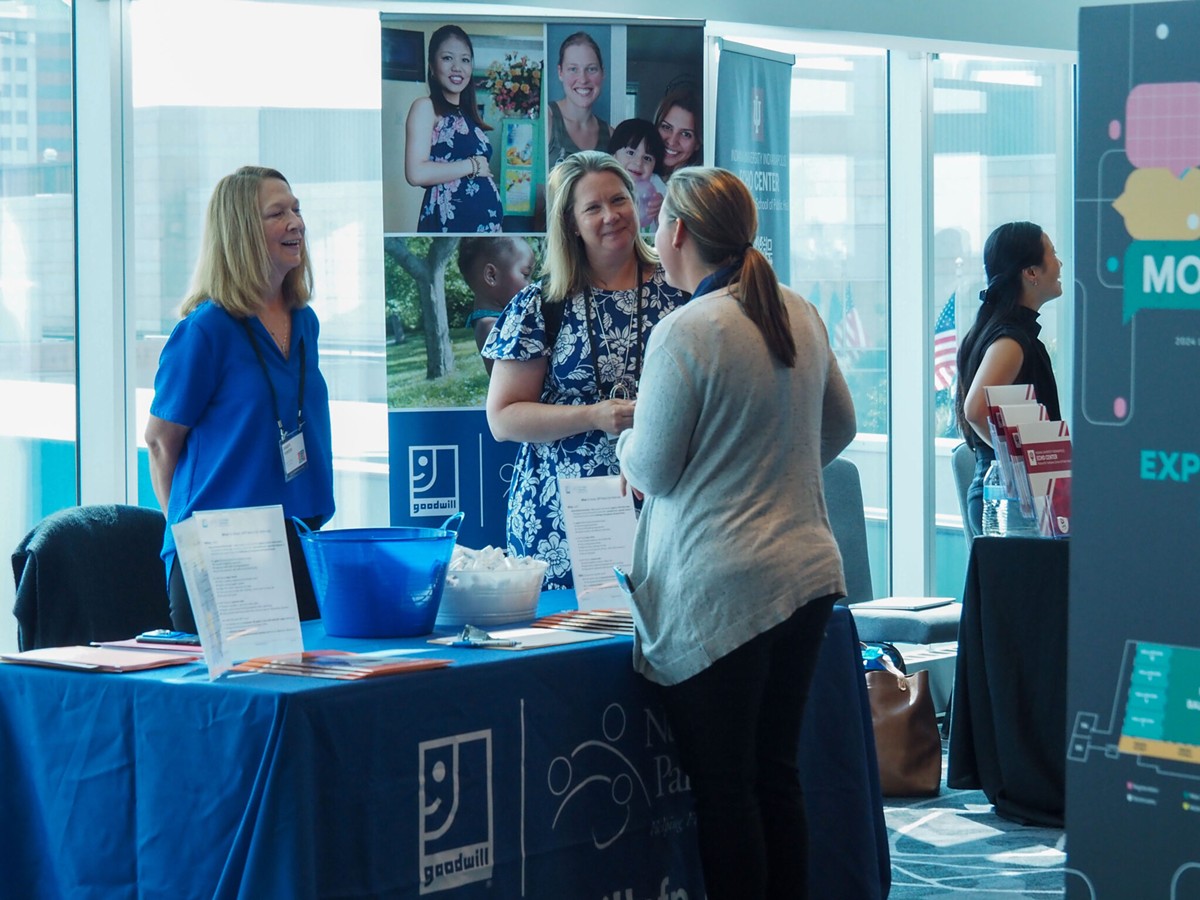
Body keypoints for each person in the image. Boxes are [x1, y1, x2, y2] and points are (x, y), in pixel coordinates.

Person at [614, 167, 856, 900]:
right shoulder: (798, 310)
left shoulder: (686, 330)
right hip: (808, 572)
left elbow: (652, 468)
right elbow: (839, 427)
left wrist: (624, 443)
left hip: (725, 587)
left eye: (657, 220)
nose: (652, 231)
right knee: (774, 775)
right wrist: (770, 467)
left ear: (678, 232)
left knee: (727, 792)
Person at [483, 150, 687, 589]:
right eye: (593, 207)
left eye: (619, 200)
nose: (611, 216)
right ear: (571, 223)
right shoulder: (541, 303)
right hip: (559, 520)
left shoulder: (680, 292)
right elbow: (503, 418)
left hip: (663, 508)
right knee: (567, 651)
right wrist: (593, 416)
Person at [144, 165, 335, 633]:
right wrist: (189, 538)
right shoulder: (205, 330)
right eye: (278, 213)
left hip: (298, 535)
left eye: (297, 209)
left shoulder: (303, 321)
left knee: (305, 686)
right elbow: (160, 443)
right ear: (242, 232)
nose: (296, 222)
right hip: (224, 549)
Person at [955, 221, 1064, 536]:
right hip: (1012, 506)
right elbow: (975, 410)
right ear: (1031, 272)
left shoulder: (1004, 332)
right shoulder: (1012, 341)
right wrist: (1026, 469)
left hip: (1010, 501)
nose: (1059, 264)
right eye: (1053, 254)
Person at [405, 24, 503, 233]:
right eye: (448, 58)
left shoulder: (469, 117)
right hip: (449, 225)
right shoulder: (425, 107)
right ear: (432, 65)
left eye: (465, 60)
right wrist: (473, 165)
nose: (457, 67)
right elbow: (416, 173)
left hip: (487, 228)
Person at [457, 236, 536, 376]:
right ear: (491, 275)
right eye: (526, 274)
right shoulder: (490, 327)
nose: (531, 284)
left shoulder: (503, 319)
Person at [547, 32, 611, 168]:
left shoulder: (611, 135)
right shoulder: (546, 120)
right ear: (560, 73)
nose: (583, 79)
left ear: (603, 73)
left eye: (591, 69)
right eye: (573, 69)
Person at [606, 118, 667, 230]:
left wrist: (662, 210)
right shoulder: (604, 181)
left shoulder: (657, 185)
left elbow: (670, 226)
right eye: (630, 153)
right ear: (613, 155)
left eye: (647, 158)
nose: (639, 162)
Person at [654, 88, 703, 178]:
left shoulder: (698, 190)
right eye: (667, 127)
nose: (672, 142)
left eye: (685, 134)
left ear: (697, 143)